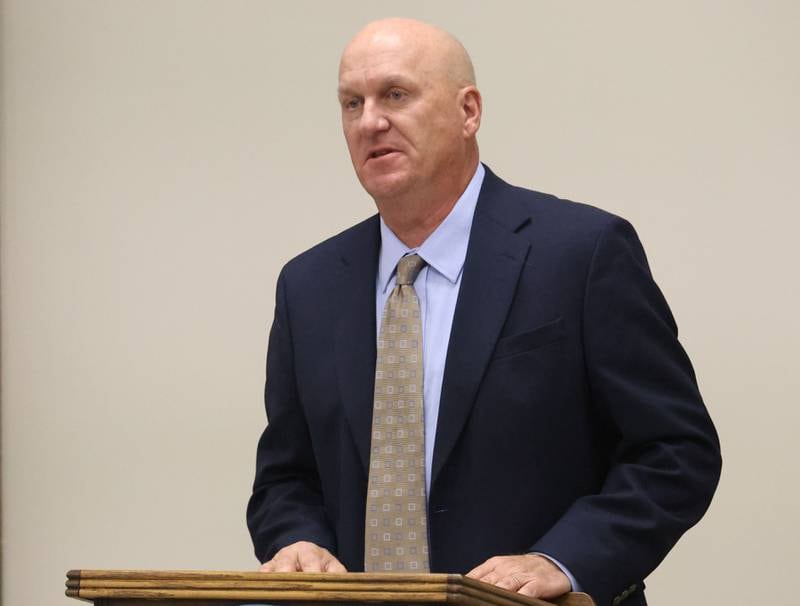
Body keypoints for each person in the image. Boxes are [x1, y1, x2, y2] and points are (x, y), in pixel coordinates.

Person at [246, 18, 721, 606]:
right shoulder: (308, 285)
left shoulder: (582, 253)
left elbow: (675, 452)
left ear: (468, 111)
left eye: (395, 94)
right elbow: (286, 477)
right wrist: (296, 540)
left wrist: (564, 560)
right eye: (351, 103)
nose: (370, 121)